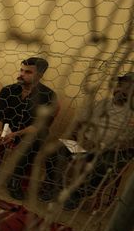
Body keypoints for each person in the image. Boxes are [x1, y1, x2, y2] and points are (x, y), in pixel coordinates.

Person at [41, 72, 134, 210]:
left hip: (111, 153)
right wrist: (80, 138)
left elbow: (130, 145)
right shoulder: (100, 104)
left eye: (126, 88)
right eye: (120, 85)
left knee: (104, 166)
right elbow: (77, 124)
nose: (120, 90)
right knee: (54, 149)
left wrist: (110, 147)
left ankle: (76, 195)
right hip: (85, 146)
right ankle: (55, 188)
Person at [0, 57, 57, 199]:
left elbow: (39, 125)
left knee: (37, 138)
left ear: (39, 75)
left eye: (28, 72)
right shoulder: (8, 90)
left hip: (26, 133)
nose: (21, 74)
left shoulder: (48, 95)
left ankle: (14, 180)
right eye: (21, 70)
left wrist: (14, 135)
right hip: (4, 130)